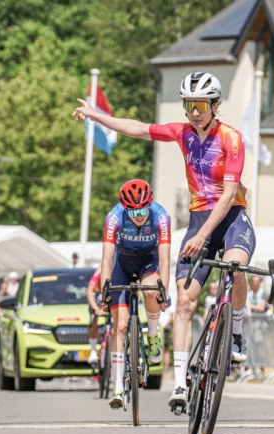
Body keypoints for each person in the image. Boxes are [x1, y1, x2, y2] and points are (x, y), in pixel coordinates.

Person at [74, 72, 254, 411]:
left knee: (237, 267)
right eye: (188, 105)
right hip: (200, 219)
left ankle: (238, 329)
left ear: (215, 105)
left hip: (230, 219)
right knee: (185, 303)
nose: (194, 112)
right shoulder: (183, 133)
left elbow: (230, 194)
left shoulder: (232, 139)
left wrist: (202, 234)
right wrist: (96, 115)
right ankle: (182, 384)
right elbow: (139, 128)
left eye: (200, 105)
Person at [96, 180, 171, 409]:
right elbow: (107, 260)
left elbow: (166, 259)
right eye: (134, 211)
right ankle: (117, 388)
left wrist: (163, 292)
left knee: (151, 290)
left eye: (142, 210)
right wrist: (104, 291)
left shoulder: (161, 216)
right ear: (125, 208)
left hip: (149, 261)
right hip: (122, 264)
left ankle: (153, 335)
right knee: (120, 327)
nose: (139, 216)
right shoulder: (115, 217)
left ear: (150, 205)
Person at [86, 267, 105, 365]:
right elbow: (89, 290)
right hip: (100, 296)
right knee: (94, 318)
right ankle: (93, 349)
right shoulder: (100, 269)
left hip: (114, 295)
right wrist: (95, 308)